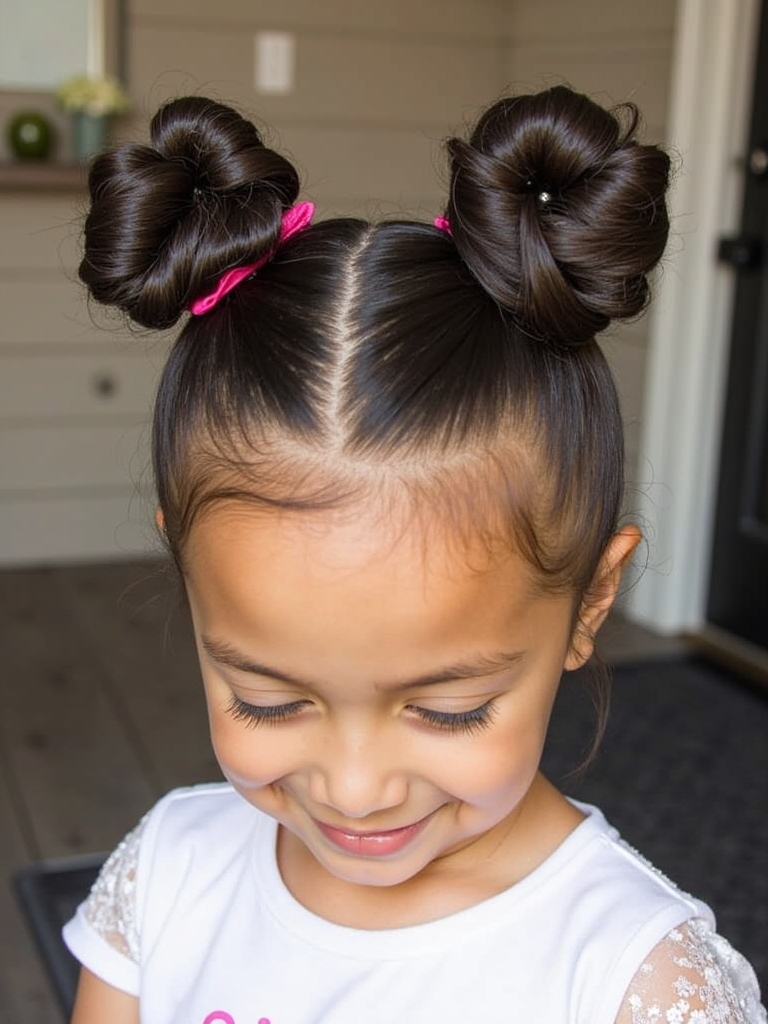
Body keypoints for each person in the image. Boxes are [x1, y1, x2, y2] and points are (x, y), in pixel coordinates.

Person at [62, 86, 766, 1024]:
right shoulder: (167, 873)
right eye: (266, 700)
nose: (354, 790)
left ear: (591, 602)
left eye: (450, 710)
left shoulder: (634, 985)